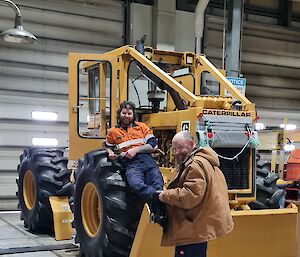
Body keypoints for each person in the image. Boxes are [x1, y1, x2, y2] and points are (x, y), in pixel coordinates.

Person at [158, 131, 234, 257]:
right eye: (174, 149)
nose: (176, 153)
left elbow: (189, 196)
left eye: (180, 148)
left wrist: (164, 195)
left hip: (192, 230)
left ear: (191, 144)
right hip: (198, 226)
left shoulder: (195, 165)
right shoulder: (205, 161)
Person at [105, 101, 164, 201]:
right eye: (124, 113)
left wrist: (136, 150)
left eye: (129, 114)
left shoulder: (142, 127)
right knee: (136, 185)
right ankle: (154, 197)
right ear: (119, 114)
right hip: (131, 163)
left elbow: (153, 144)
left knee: (158, 184)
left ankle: (157, 204)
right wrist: (110, 152)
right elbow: (107, 146)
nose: (126, 116)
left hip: (147, 160)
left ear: (133, 115)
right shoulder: (112, 132)